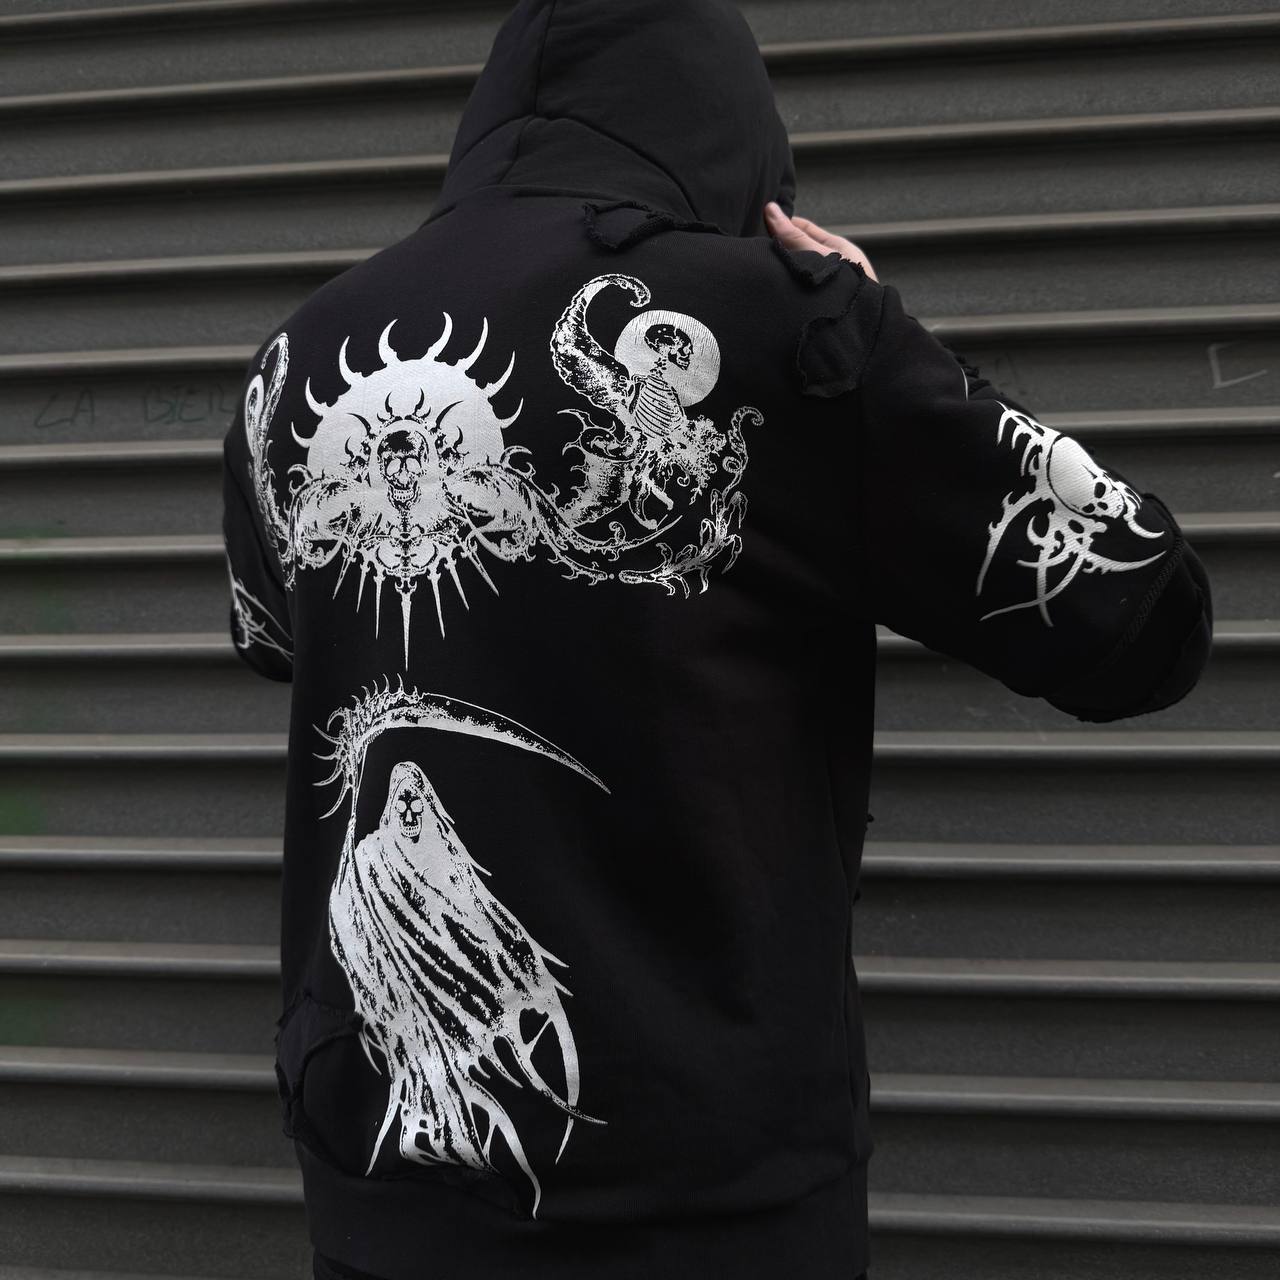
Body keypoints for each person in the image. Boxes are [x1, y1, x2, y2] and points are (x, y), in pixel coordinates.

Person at [220, 2, 1214, 1277]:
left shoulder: (291, 359)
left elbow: (276, 636)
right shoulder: (784, 324)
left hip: (380, 1189)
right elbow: (1144, 615)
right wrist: (879, 343)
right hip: (705, 1199)